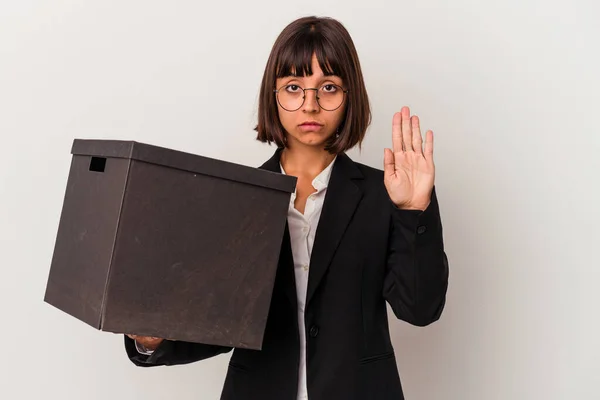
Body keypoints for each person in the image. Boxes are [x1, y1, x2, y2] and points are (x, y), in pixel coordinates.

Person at [124, 15, 449, 400]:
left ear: (350, 96)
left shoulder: (387, 194)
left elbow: (420, 309)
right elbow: (221, 326)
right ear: (273, 95)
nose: (310, 105)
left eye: (328, 87)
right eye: (294, 87)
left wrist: (414, 211)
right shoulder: (238, 198)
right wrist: (152, 339)